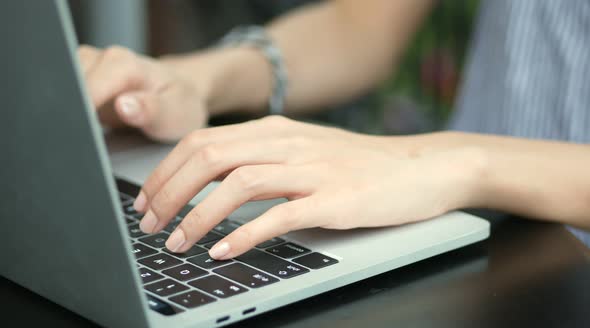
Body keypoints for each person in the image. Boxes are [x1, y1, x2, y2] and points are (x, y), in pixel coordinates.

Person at [79, 0, 590, 260]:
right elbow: (360, 26)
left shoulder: (452, 163)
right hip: (480, 238)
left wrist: (455, 160)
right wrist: (199, 78)